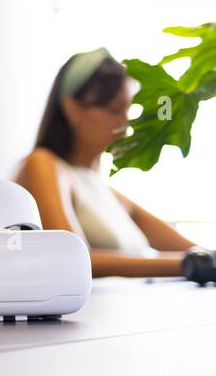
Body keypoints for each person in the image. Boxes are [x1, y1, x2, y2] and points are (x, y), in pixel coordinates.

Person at [15, 47, 206, 279]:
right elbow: (71, 260)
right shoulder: (43, 164)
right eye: (114, 110)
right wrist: (191, 264)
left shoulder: (99, 187)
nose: (125, 123)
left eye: (127, 109)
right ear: (72, 108)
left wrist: (201, 258)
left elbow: (189, 249)